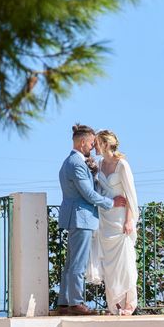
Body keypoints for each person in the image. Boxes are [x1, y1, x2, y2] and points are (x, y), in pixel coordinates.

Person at [56, 124, 127, 316]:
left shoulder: (69, 162)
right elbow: (87, 193)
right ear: (82, 142)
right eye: (90, 143)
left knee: (71, 263)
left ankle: (63, 303)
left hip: (76, 217)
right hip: (81, 218)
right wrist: (111, 203)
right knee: (77, 263)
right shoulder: (76, 164)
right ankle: (76, 303)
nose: (92, 147)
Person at [91, 129, 140, 315]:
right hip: (105, 219)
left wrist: (129, 221)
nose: (94, 146)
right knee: (109, 266)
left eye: (96, 143)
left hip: (120, 220)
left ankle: (129, 304)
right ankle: (115, 305)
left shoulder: (122, 165)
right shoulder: (99, 164)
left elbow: (131, 196)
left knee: (125, 263)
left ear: (104, 144)